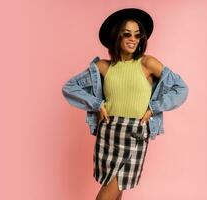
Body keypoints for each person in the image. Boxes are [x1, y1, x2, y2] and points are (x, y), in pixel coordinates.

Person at [62, 8, 189, 200]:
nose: (133, 39)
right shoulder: (103, 67)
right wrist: (97, 104)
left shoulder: (148, 63)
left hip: (135, 133)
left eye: (137, 35)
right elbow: (69, 87)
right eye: (127, 34)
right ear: (117, 36)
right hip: (109, 132)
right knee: (114, 192)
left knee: (113, 189)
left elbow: (181, 88)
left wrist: (154, 108)